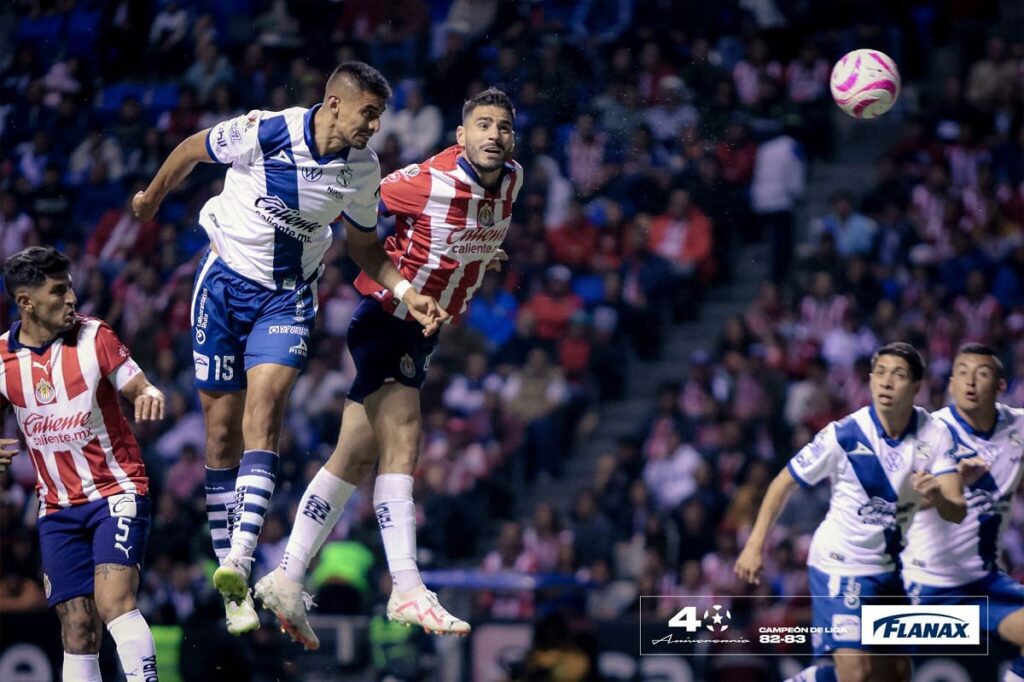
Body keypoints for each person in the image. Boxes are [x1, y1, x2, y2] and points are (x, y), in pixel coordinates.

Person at [132, 61, 445, 635]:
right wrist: (151, 200)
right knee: (221, 432)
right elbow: (191, 148)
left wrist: (407, 290)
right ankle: (235, 597)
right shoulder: (268, 130)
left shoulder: (362, 169)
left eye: (378, 115)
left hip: (288, 299)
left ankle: (240, 561)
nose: (374, 125)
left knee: (266, 409)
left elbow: (365, 248)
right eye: (367, 112)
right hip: (222, 284)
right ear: (333, 103)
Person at [253, 87, 522, 647]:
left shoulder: (513, 181)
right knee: (404, 437)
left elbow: (467, 233)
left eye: (503, 127)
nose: (494, 135)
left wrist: (483, 252)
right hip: (385, 316)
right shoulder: (425, 179)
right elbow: (359, 205)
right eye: (483, 126)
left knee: (353, 456)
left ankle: (286, 573)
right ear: (461, 136)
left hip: (422, 331)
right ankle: (406, 584)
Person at [735, 342, 966, 682]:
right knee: (856, 674)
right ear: (870, 380)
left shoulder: (936, 433)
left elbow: (955, 508)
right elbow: (782, 483)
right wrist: (755, 545)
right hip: (841, 564)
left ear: (917, 387)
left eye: (898, 375)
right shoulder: (843, 434)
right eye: (880, 373)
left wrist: (938, 496)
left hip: (889, 572)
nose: (886, 382)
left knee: (896, 675)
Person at [0, 246, 165, 682]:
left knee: (112, 604)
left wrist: (150, 395)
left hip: (116, 491)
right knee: (77, 628)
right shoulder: (2, 358)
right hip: (56, 509)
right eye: (58, 291)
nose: (71, 298)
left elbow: (141, 386)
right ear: (26, 302)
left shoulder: (95, 337)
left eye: (70, 287)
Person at [903, 344, 1024, 682]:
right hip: (924, 586)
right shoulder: (929, 433)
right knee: (860, 671)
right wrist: (950, 484)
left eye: (982, 373)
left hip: (981, 584)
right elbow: (902, 504)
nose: (970, 381)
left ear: (1000, 386)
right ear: (951, 383)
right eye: (962, 372)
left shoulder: (1018, 429)